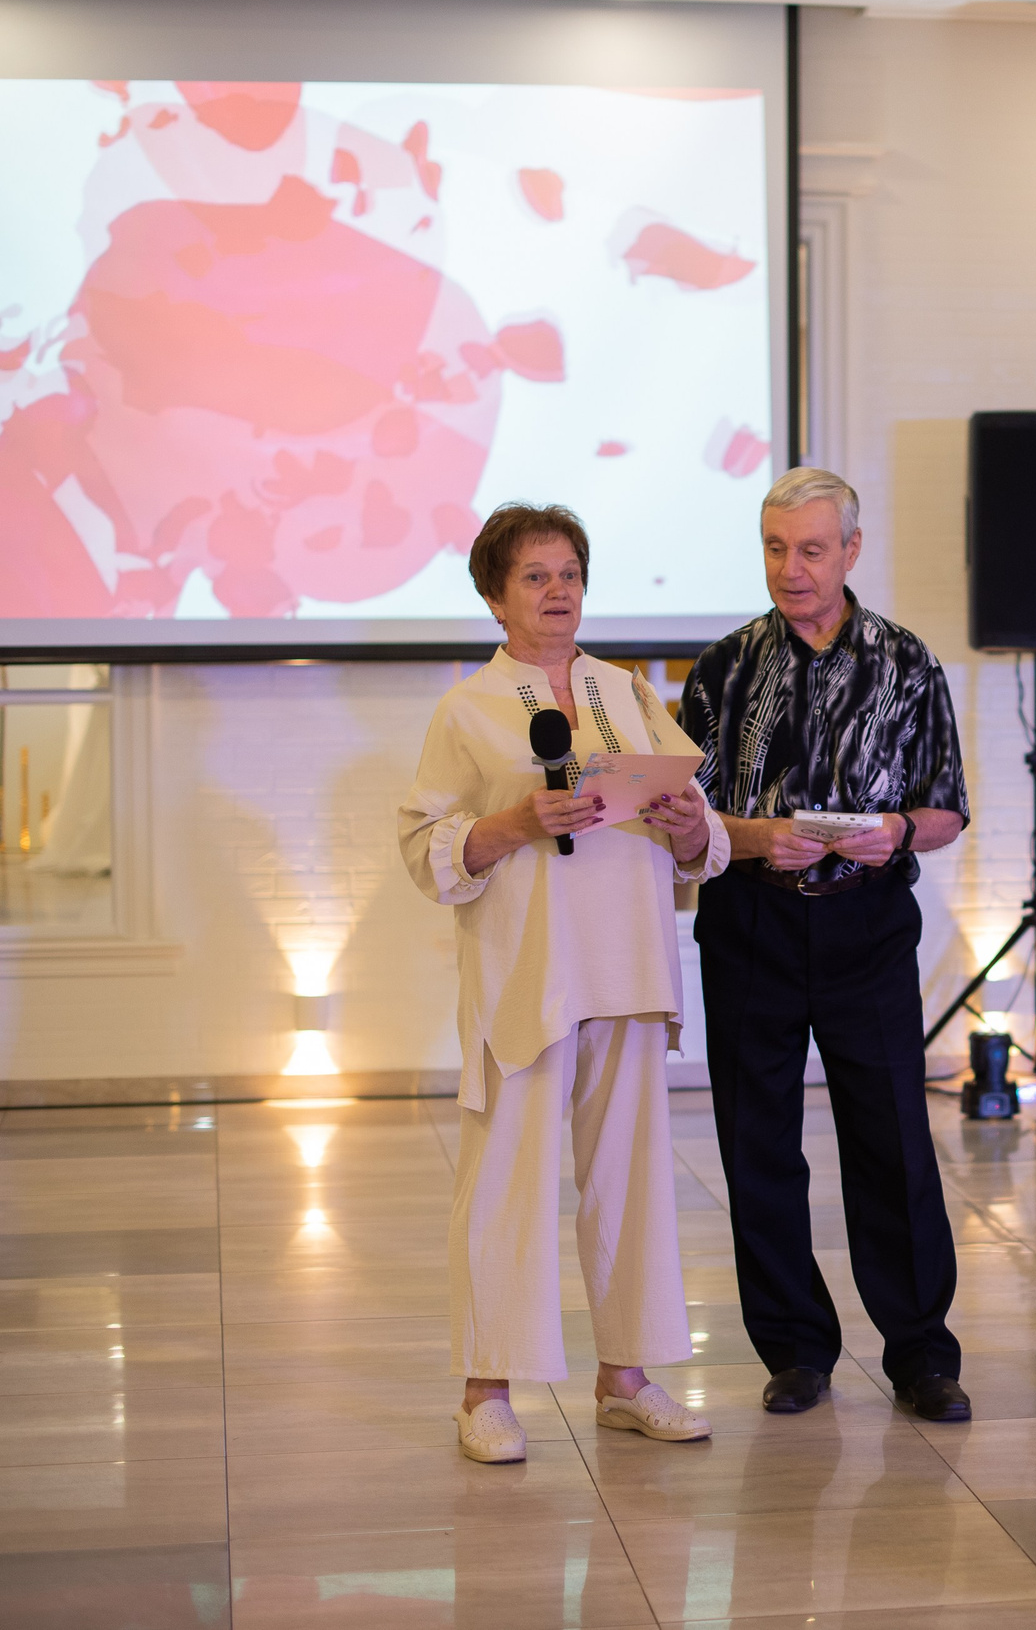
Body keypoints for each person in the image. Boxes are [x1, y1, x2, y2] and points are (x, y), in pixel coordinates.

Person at [399, 502, 727, 1463]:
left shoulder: (628, 690)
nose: (558, 591)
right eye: (535, 576)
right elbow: (424, 847)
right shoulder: (467, 708)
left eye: (570, 573)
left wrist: (689, 824)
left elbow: (697, 830)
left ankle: (625, 1378)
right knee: (506, 1179)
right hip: (528, 974)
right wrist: (513, 823)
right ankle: (487, 1390)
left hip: (627, 962)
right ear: (495, 597)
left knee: (631, 1180)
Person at [679, 467, 974, 1422]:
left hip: (866, 924)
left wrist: (898, 831)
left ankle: (922, 1353)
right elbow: (686, 823)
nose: (790, 568)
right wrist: (756, 836)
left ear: (851, 550)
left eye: (810, 549)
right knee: (756, 1143)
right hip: (750, 922)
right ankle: (796, 1347)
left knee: (892, 1140)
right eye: (775, 548)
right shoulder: (721, 669)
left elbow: (946, 808)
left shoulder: (907, 661)